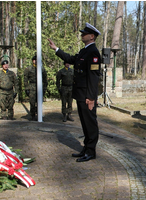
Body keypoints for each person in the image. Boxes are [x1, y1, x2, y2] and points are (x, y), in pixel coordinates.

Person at [48, 22, 101, 162]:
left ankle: (91, 151)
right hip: (80, 94)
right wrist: (56, 49)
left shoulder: (93, 52)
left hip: (87, 96)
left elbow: (94, 77)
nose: (82, 35)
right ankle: (86, 148)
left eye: (84, 34)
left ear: (92, 36)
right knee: (84, 122)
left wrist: (91, 97)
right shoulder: (84, 51)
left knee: (90, 123)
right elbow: (71, 59)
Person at [24, 56, 48, 121]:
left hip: (40, 87)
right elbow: (25, 79)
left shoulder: (41, 68)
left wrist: (44, 88)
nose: (36, 61)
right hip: (32, 86)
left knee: (39, 102)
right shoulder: (28, 69)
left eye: (37, 60)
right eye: (35, 60)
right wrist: (26, 88)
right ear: (32, 61)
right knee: (32, 102)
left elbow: (45, 79)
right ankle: (33, 115)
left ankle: (38, 113)